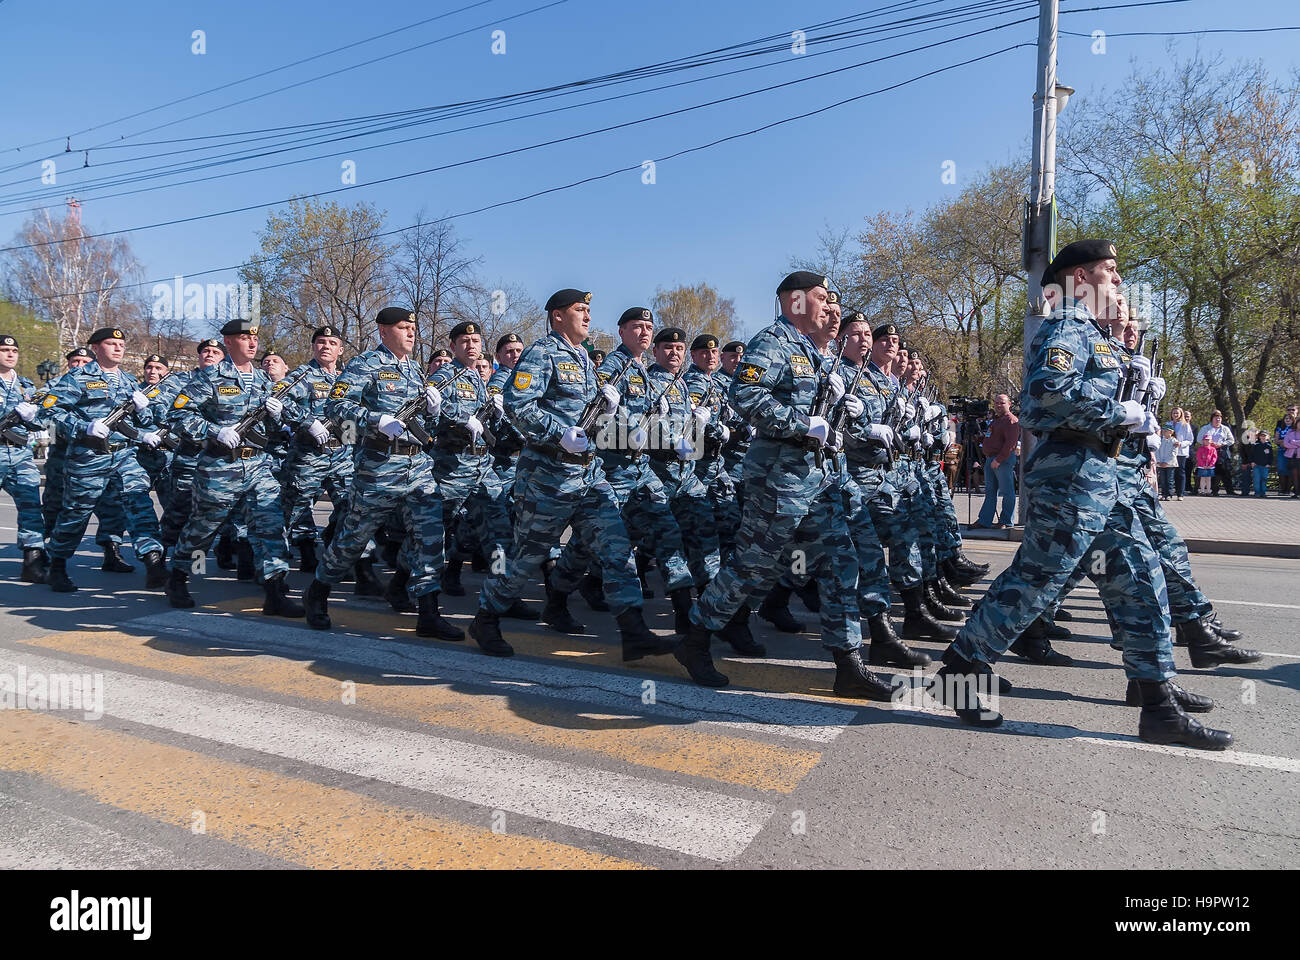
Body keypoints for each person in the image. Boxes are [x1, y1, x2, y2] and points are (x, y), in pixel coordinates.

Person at [928, 238, 1229, 749]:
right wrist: (1119, 414)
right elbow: (1047, 395)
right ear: (1081, 279)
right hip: (1070, 472)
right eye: (1110, 272)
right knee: (1039, 579)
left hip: (1100, 471)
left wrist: (1135, 410)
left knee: (1137, 574)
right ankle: (958, 670)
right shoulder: (1066, 326)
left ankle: (1157, 701)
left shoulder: (1092, 333)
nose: (1118, 281)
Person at [677, 271, 893, 699]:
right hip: (777, 478)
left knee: (839, 563)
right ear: (795, 301)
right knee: (750, 566)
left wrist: (844, 421)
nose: (829, 306)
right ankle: (695, 636)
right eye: (820, 297)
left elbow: (818, 419)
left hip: (819, 478)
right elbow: (745, 396)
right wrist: (802, 424)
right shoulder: (772, 341)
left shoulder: (815, 353)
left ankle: (848, 663)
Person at [468, 288, 673, 663]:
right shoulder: (542, 353)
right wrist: (557, 432)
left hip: (590, 475)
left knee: (616, 548)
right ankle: (486, 617)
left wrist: (627, 426)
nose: (589, 316)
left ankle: (634, 631)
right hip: (548, 476)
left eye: (590, 310)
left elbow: (595, 418)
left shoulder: (582, 360)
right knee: (525, 557)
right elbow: (517, 405)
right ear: (558, 315)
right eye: (581, 309)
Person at [302, 307, 459, 639]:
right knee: (352, 540)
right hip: (378, 469)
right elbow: (336, 405)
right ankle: (318, 591)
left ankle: (429, 613)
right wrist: (376, 420)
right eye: (403, 328)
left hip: (417, 467)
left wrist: (433, 411)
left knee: (430, 538)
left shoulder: (416, 371)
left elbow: (422, 426)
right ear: (383, 332)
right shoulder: (365, 364)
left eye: (413, 328)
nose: (411, 333)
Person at [162, 319, 303, 617]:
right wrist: (214, 432)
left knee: (271, 525)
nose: (252, 343)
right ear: (228, 342)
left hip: (259, 464)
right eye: (243, 338)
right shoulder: (210, 378)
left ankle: (275, 590)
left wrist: (281, 416)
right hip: (219, 466)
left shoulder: (267, 382)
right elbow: (177, 416)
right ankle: (178, 576)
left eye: (254, 338)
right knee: (204, 528)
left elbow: (286, 424)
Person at [44, 327, 167, 592]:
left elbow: (142, 421)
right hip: (88, 456)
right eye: (111, 344)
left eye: (121, 344)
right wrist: (83, 427)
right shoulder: (77, 377)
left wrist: (144, 419)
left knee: (140, 502)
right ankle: (57, 564)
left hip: (123, 454)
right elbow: (51, 413)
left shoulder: (129, 382)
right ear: (96, 348)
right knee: (77, 514)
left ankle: (154, 561)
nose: (118, 348)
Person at [0, 334, 50, 583]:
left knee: (31, 506)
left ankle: (32, 561)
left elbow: (43, 420)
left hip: (20, 454)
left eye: (14, 351)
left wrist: (32, 417)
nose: (10, 354)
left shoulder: (26, 387)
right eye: (4, 350)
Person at [973, 393, 1018, 529]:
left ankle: (1006, 521)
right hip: (990, 459)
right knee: (990, 491)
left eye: (1002, 403)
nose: (998, 405)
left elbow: (1011, 444)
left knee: (1007, 491)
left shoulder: (1011, 420)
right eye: (997, 403)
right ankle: (984, 520)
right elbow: (993, 437)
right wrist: (981, 439)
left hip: (1001, 460)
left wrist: (999, 460)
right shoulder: (996, 420)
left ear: (1009, 404)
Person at [1196, 410, 1235, 495]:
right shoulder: (1206, 428)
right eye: (1216, 418)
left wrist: (1221, 444)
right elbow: (1199, 439)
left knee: (1224, 471)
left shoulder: (1225, 428)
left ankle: (1230, 490)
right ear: (1212, 419)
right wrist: (1209, 443)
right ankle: (1211, 490)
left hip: (1221, 451)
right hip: (1208, 451)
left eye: (1219, 419)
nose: (1218, 420)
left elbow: (1231, 440)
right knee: (1210, 470)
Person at [1169, 406, 1192, 500]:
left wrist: (1181, 444)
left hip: (1181, 452)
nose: (1175, 415)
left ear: (1181, 414)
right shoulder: (1168, 424)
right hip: (1169, 452)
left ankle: (1180, 494)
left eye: (1177, 413)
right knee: (1170, 473)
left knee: (1180, 473)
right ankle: (1169, 493)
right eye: (1174, 413)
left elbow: (1190, 439)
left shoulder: (1185, 425)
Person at [1246, 430, 1273, 497]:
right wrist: (1252, 462)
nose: (1263, 437)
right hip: (1256, 465)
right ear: (1259, 436)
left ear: (1268, 437)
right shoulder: (1255, 444)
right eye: (1261, 435)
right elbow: (1251, 454)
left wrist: (1269, 463)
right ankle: (1257, 492)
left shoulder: (1269, 445)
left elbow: (1271, 456)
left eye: (1265, 436)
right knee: (1256, 479)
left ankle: (1263, 492)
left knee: (1264, 479)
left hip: (1265, 466)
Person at [1277, 408, 1297, 495]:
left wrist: (1286, 442)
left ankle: (1288, 490)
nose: (1288, 420)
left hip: (1292, 452)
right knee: (1281, 469)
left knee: (1290, 470)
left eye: (1290, 419)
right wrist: (1286, 442)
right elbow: (1276, 440)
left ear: (1293, 420)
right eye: (1286, 419)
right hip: (1281, 451)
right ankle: (1282, 489)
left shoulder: (1294, 430)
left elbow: (1295, 441)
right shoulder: (1279, 428)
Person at [1156, 423, 1178, 500]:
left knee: (1169, 480)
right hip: (1160, 463)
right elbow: (1157, 451)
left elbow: (1174, 453)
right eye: (1163, 431)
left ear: (1171, 432)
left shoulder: (1174, 441)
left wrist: (1167, 462)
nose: (1164, 432)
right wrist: (1158, 461)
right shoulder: (1160, 440)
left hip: (1170, 464)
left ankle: (1169, 494)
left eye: (1166, 431)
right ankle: (1163, 494)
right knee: (1162, 480)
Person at [1282, 420, 1300, 498]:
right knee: (1294, 475)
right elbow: (1286, 443)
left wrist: (1293, 442)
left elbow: (1290, 442)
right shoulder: (1290, 432)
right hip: (1292, 457)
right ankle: (1296, 492)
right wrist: (1297, 445)